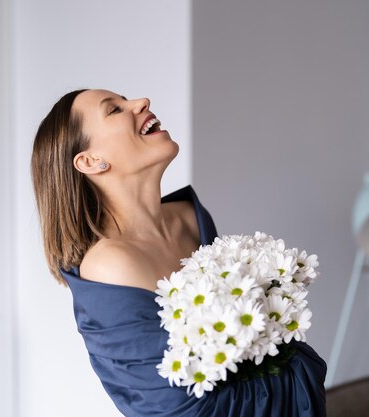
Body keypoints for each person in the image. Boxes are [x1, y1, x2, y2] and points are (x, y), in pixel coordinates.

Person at [30, 88, 327, 417]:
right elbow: (180, 409)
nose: (141, 102)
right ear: (90, 162)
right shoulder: (110, 264)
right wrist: (292, 362)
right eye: (114, 110)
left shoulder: (190, 217)